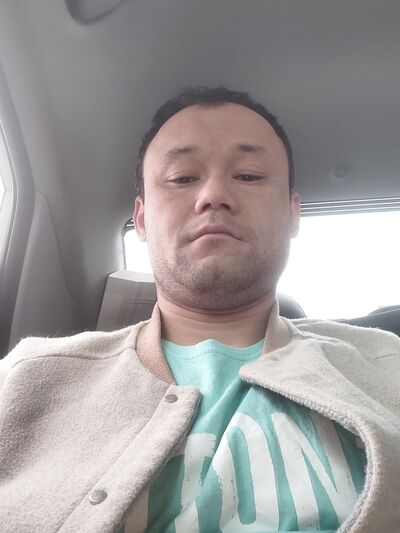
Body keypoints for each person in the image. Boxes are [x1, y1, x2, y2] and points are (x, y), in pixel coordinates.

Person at [1, 86, 400, 533]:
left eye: (248, 175)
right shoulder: (29, 377)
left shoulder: (386, 363)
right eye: (182, 178)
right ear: (142, 219)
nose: (213, 195)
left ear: (293, 214)